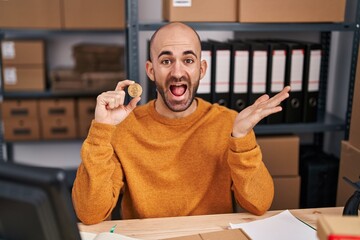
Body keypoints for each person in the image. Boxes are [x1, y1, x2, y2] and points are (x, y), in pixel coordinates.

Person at [72, 22, 291, 225]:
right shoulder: (124, 128)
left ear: (201, 69)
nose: (177, 73)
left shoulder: (228, 123)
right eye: (166, 61)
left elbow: (259, 204)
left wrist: (242, 140)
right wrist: (101, 131)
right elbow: (90, 214)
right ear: (151, 70)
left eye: (188, 60)